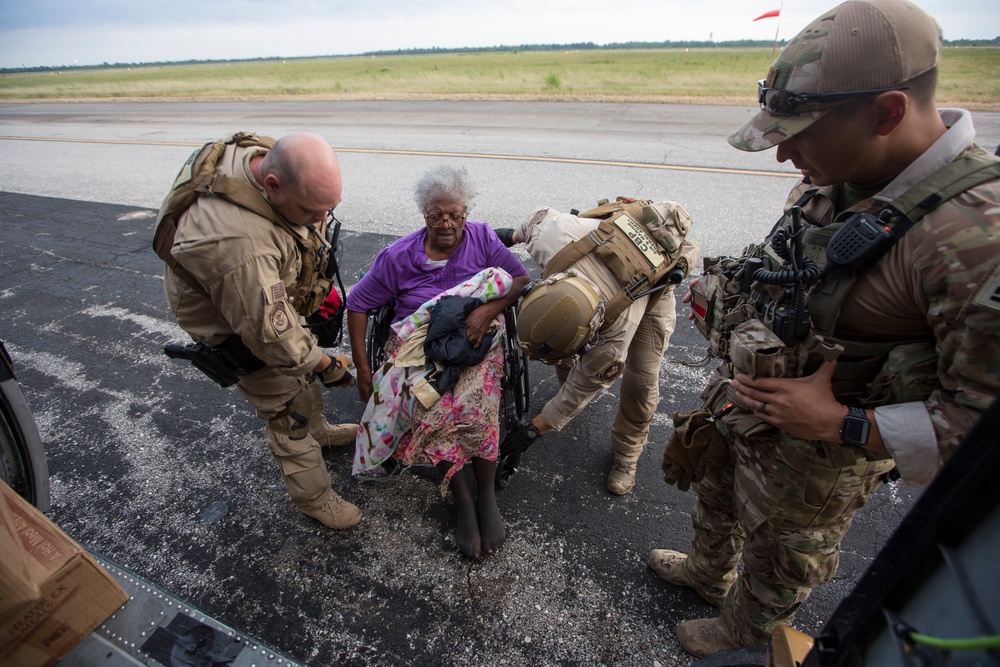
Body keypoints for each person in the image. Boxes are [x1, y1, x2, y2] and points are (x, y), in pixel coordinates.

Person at [649, 0, 1000, 657]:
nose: (783, 152)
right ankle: (706, 573)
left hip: (819, 459)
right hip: (746, 409)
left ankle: (747, 631)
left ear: (887, 112)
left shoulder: (975, 239)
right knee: (716, 490)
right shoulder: (840, 175)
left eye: (801, 131)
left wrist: (840, 423)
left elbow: (982, 432)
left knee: (784, 551)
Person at [158, 131, 363, 530]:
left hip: (264, 294)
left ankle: (320, 430)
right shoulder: (239, 245)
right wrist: (324, 363)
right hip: (234, 322)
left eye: (328, 209)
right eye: (311, 211)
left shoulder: (260, 155)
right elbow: (272, 336)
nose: (321, 220)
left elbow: (281, 317)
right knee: (287, 410)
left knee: (304, 371)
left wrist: (310, 355)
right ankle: (315, 498)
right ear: (273, 186)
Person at [346, 165, 529, 560]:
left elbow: (518, 278)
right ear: (424, 214)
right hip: (419, 337)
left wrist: (487, 311)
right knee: (430, 404)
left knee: (476, 402)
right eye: (436, 215)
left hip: (476, 335)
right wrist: (363, 371)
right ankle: (463, 500)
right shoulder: (397, 257)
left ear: (466, 211)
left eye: (455, 215)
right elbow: (358, 305)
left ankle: (486, 496)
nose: (447, 224)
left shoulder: (480, 237)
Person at [495, 198, 700, 495]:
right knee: (560, 345)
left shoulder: (619, 330)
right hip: (602, 240)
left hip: (652, 289)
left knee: (641, 381)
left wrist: (531, 432)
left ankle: (627, 454)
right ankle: (564, 372)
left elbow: (586, 386)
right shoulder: (554, 237)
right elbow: (533, 220)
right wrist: (512, 236)